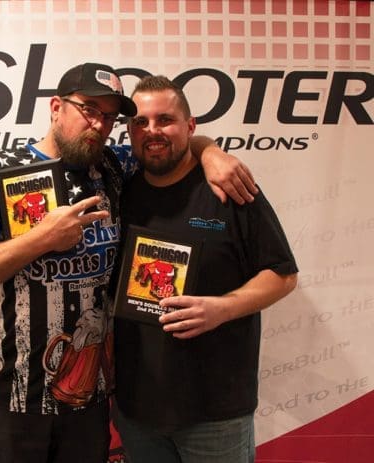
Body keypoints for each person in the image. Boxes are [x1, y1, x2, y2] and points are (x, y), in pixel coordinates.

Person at [0, 62, 257, 463]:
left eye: (109, 117)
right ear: (56, 107)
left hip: (88, 398)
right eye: (89, 109)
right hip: (14, 393)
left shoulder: (114, 167)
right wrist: (41, 238)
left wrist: (211, 152)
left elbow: (170, 142)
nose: (99, 124)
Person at [113, 75, 298, 463]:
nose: (152, 131)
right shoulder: (120, 193)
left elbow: (282, 275)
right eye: (140, 122)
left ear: (190, 125)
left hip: (215, 412)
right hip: (136, 409)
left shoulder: (229, 188)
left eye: (165, 119)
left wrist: (222, 309)